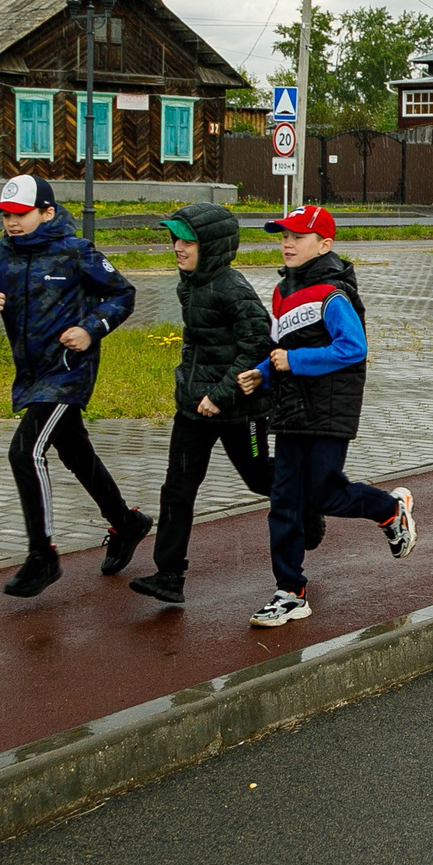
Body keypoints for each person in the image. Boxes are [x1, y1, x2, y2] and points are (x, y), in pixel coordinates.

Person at [0, 174, 148, 599]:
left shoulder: (75, 251)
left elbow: (122, 294)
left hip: (67, 370)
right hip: (30, 374)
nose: (11, 223)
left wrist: (90, 328)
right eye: (4, 215)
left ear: (46, 212)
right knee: (76, 452)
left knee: (25, 451)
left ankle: (43, 555)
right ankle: (126, 521)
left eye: (20, 214)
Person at [233, 205, 415, 627]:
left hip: (329, 408)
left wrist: (292, 361)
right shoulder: (282, 292)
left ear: (325, 244)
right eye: (283, 236)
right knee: (284, 500)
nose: (287, 243)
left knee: (323, 493)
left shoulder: (334, 292)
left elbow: (353, 348)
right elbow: (280, 347)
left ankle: (389, 510)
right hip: (290, 408)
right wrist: (260, 373)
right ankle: (290, 591)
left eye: (297, 236)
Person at [123, 203, 274, 608]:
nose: (178, 247)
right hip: (194, 409)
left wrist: (220, 394)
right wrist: (187, 387)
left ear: (212, 246)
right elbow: (196, 342)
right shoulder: (189, 282)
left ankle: (308, 506)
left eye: (188, 240)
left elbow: (258, 347)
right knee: (177, 488)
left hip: (242, 411)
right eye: (175, 239)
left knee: (260, 479)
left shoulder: (233, 290)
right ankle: (169, 576)